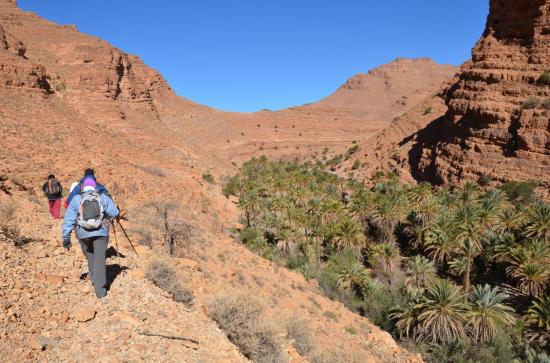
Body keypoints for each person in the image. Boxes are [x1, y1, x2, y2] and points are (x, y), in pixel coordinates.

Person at [62, 178, 120, 298]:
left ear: (83, 187)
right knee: (99, 260)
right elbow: (114, 213)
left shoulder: (77, 199)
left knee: (89, 254)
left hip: (83, 234)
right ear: (95, 187)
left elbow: (68, 219)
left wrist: (66, 237)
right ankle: (100, 291)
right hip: (101, 233)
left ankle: (93, 277)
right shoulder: (103, 197)